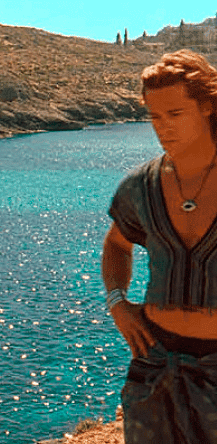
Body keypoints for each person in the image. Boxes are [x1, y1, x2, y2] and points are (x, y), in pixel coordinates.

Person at [102, 49, 217, 443]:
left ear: (206, 107)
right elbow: (117, 244)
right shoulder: (140, 186)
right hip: (155, 366)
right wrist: (118, 303)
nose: (162, 128)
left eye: (175, 114)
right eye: (154, 116)